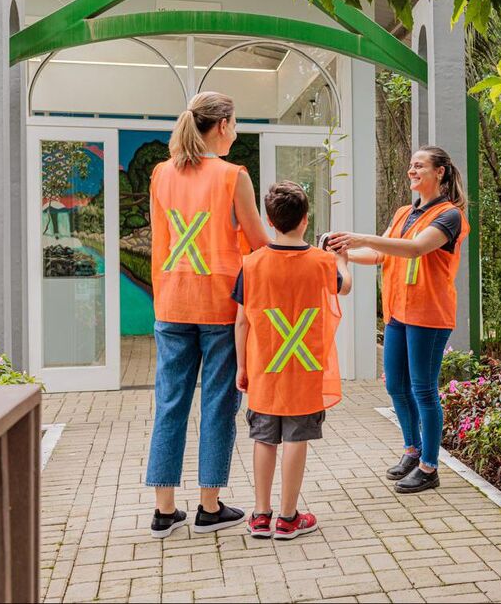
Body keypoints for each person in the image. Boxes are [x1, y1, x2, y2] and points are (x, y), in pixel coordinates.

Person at [146, 91, 270, 539]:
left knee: (170, 401)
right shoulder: (232, 175)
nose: (235, 132)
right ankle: (209, 506)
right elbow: (257, 241)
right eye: (235, 124)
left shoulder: (161, 174)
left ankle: (164, 511)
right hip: (220, 305)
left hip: (172, 302)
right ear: (221, 126)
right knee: (219, 403)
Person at [330, 146, 469, 494]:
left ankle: (429, 466)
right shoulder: (404, 212)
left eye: (419, 166)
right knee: (395, 386)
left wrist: (359, 236)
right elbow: (381, 253)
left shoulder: (450, 216)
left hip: (429, 314)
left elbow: (415, 249)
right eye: (411, 165)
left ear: (439, 172)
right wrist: (344, 252)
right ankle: (412, 449)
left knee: (423, 390)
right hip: (398, 313)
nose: (412, 171)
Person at [234, 181, 350, 539]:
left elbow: (241, 321)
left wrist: (241, 366)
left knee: (264, 438)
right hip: (305, 369)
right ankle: (288, 518)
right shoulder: (322, 262)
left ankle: (260, 514)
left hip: (265, 369)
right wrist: (340, 256)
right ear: (306, 219)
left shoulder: (251, 264)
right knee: (296, 438)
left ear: (269, 221)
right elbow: (344, 286)